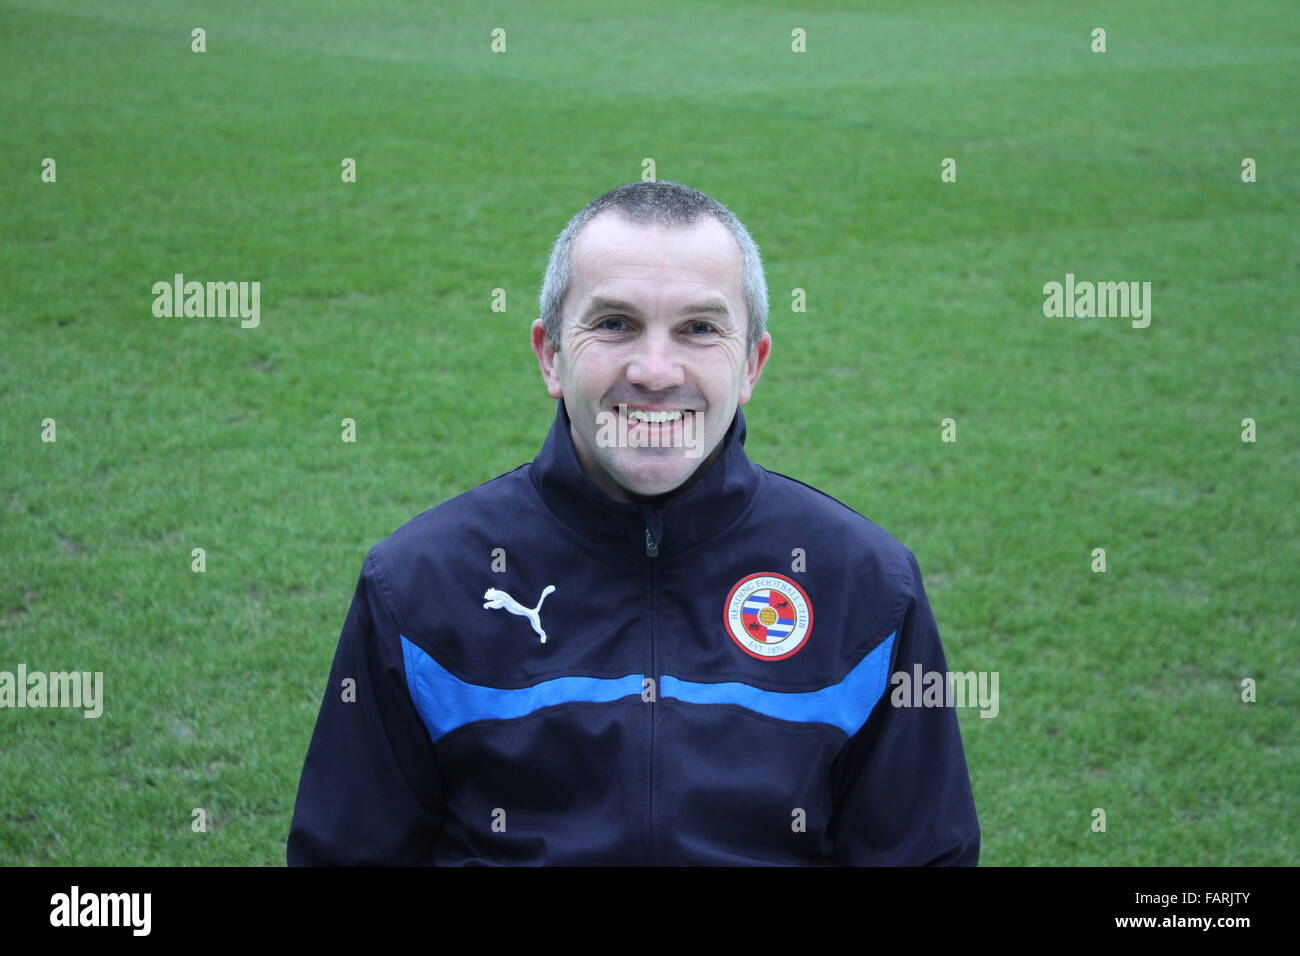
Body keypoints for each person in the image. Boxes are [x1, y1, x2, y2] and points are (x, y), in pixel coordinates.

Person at [286, 180, 980, 865]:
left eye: (700, 329)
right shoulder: (418, 584)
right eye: (614, 324)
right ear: (551, 355)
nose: (654, 371)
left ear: (751, 365)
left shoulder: (865, 584)